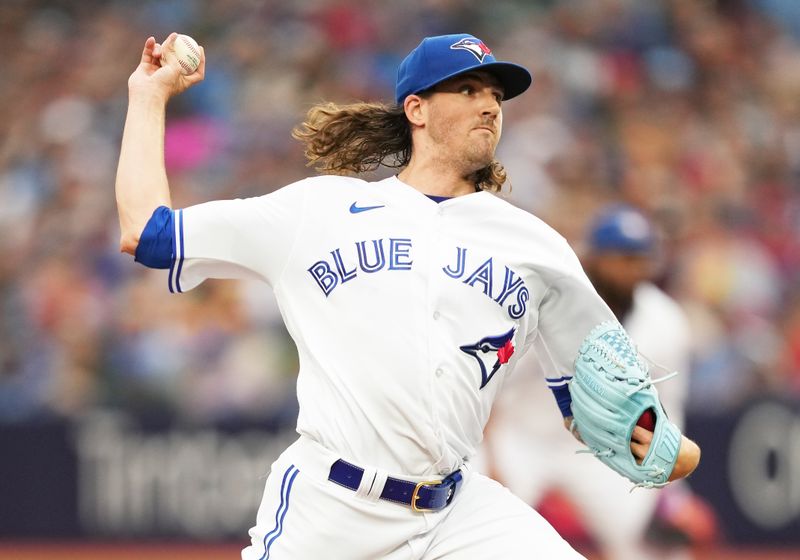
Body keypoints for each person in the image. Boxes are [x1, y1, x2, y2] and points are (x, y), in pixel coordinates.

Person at [115, 32, 700, 559]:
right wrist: (148, 95)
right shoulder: (318, 210)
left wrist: (643, 428)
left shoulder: (536, 245)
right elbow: (147, 230)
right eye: (467, 89)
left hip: (457, 511)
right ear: (416, 109)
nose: (489, 105)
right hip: (332, 508)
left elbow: (596, 391)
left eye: (495, 94)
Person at [479, 204, 698, 560]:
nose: (633, 267)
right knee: (481, 530)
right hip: (523, 439)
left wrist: (664, 486)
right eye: (623, 257)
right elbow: (491, 389)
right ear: (594, 258)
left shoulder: (665, 320)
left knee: (655, 548)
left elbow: (667, 406)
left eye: (640, 257)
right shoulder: (548, 304)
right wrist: (490, 463)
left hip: (601, 448)